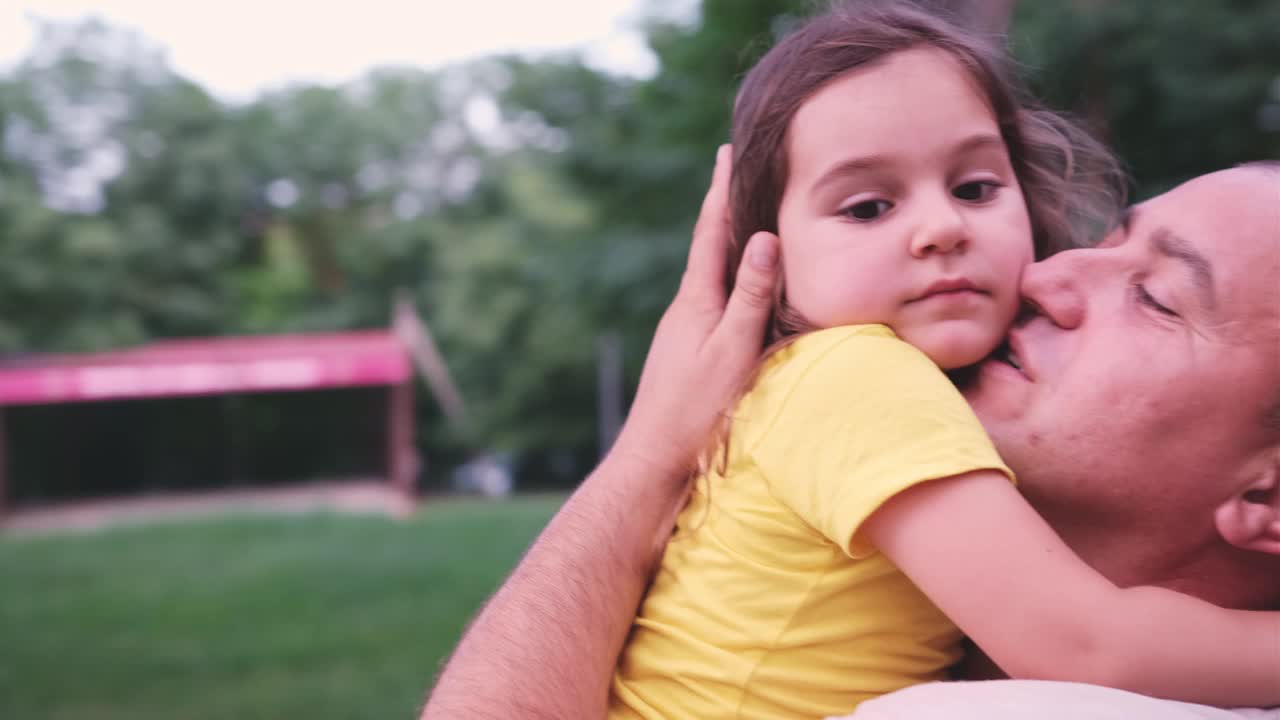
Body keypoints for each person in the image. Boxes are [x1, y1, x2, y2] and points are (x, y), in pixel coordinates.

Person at [590, 3, 1279, 717]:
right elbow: (1084, 645)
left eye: (975, 188)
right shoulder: (858, 379)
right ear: (772, 258)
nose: (942, 228)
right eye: (866, 208)